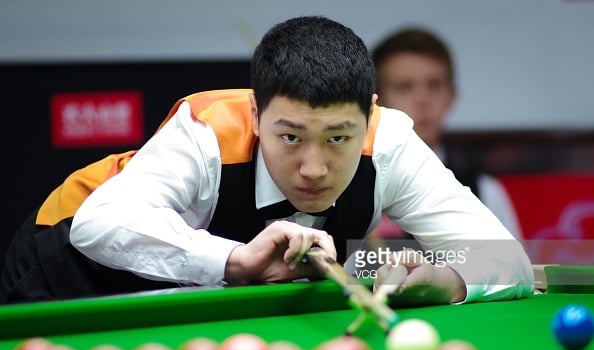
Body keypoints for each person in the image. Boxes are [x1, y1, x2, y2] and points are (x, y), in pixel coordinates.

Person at [0, 16, 534, 306]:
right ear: (256, 114)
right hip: (61, 275)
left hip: (177, 308)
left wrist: (447, 279)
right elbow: (100, 224)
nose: (314, 167)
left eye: (338, 139)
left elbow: (507, 260)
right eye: (291, 136)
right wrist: (235, 261)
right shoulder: (207, 129)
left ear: (368, 117)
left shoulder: (390, 141)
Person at [371, 27, 522, 239]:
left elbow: (517, 272)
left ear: (451, 96)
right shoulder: (351, 192)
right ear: (376, 101)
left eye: (434, 86)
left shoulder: (486, 193)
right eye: (404, 87)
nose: (422, 99)